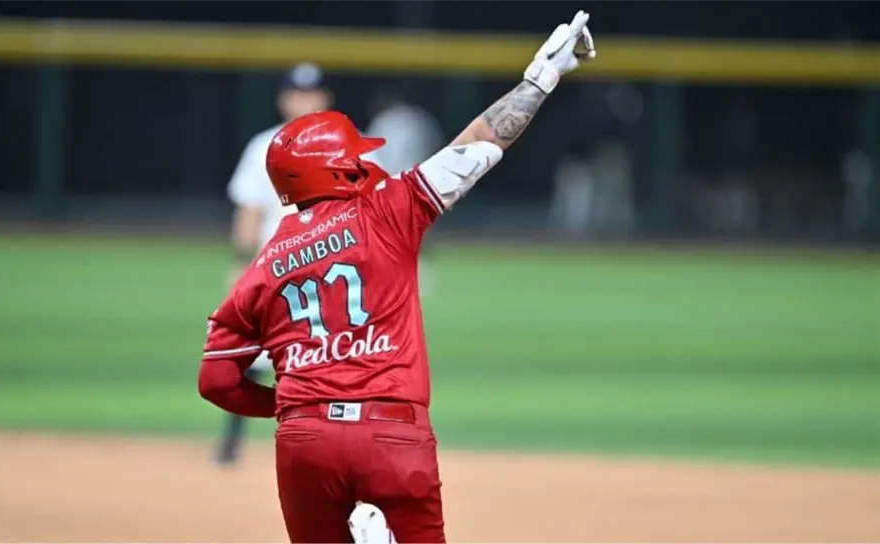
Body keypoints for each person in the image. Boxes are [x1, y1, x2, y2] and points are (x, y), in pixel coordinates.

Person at [198, 12, 596, 543]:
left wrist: (288, 404)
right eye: (354, 161)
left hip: (305, 440)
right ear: (336, 171)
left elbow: (216, 380)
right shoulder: (390, 209)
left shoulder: (263, 268)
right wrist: (539, 81)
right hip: (392, 435)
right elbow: (480, 144)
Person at [216, 62, 333, 465]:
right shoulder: (262, 146)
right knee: (253, 356)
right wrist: (240, 266)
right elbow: (249, 211)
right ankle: (230, 443)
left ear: (324, 98)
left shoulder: (343, 145)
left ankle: (321, 446)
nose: (303, 101)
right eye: (297, 93)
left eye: (311, 93)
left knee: (329, 359)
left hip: (331, 274)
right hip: (274, 272)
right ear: (284, 98)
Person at [364, 92, 445, 295]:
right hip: (420, 181)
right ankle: (420, 272)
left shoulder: (382, 122)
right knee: (418, 230)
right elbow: (433, 146)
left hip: (392, 184)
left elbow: (377, 156)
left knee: (391, 233)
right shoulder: (419, 118)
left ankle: (401, 275)